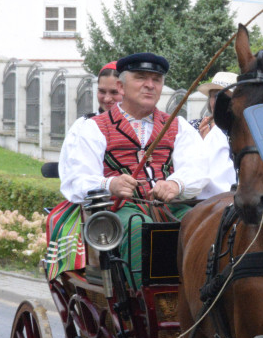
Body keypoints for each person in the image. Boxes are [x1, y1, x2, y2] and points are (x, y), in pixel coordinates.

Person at [58, 52, 209, 277]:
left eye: (156, 80)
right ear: (121, 86)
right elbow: (75, 179)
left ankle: (201, 298)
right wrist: (110, 184)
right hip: (120, 210)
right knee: (139, 227)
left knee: (203, 227)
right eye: (140, 78)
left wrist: (176, 185)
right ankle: (146, 304)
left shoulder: (178, 126)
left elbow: (199, 168)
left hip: (170, 207)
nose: (149, 85)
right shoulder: (93, 128)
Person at [194, 72, 238, 200]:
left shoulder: (241, 130)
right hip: (204, 201)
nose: (219, 102)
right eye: (215, 96)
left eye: (224, 97)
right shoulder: (193, 127)